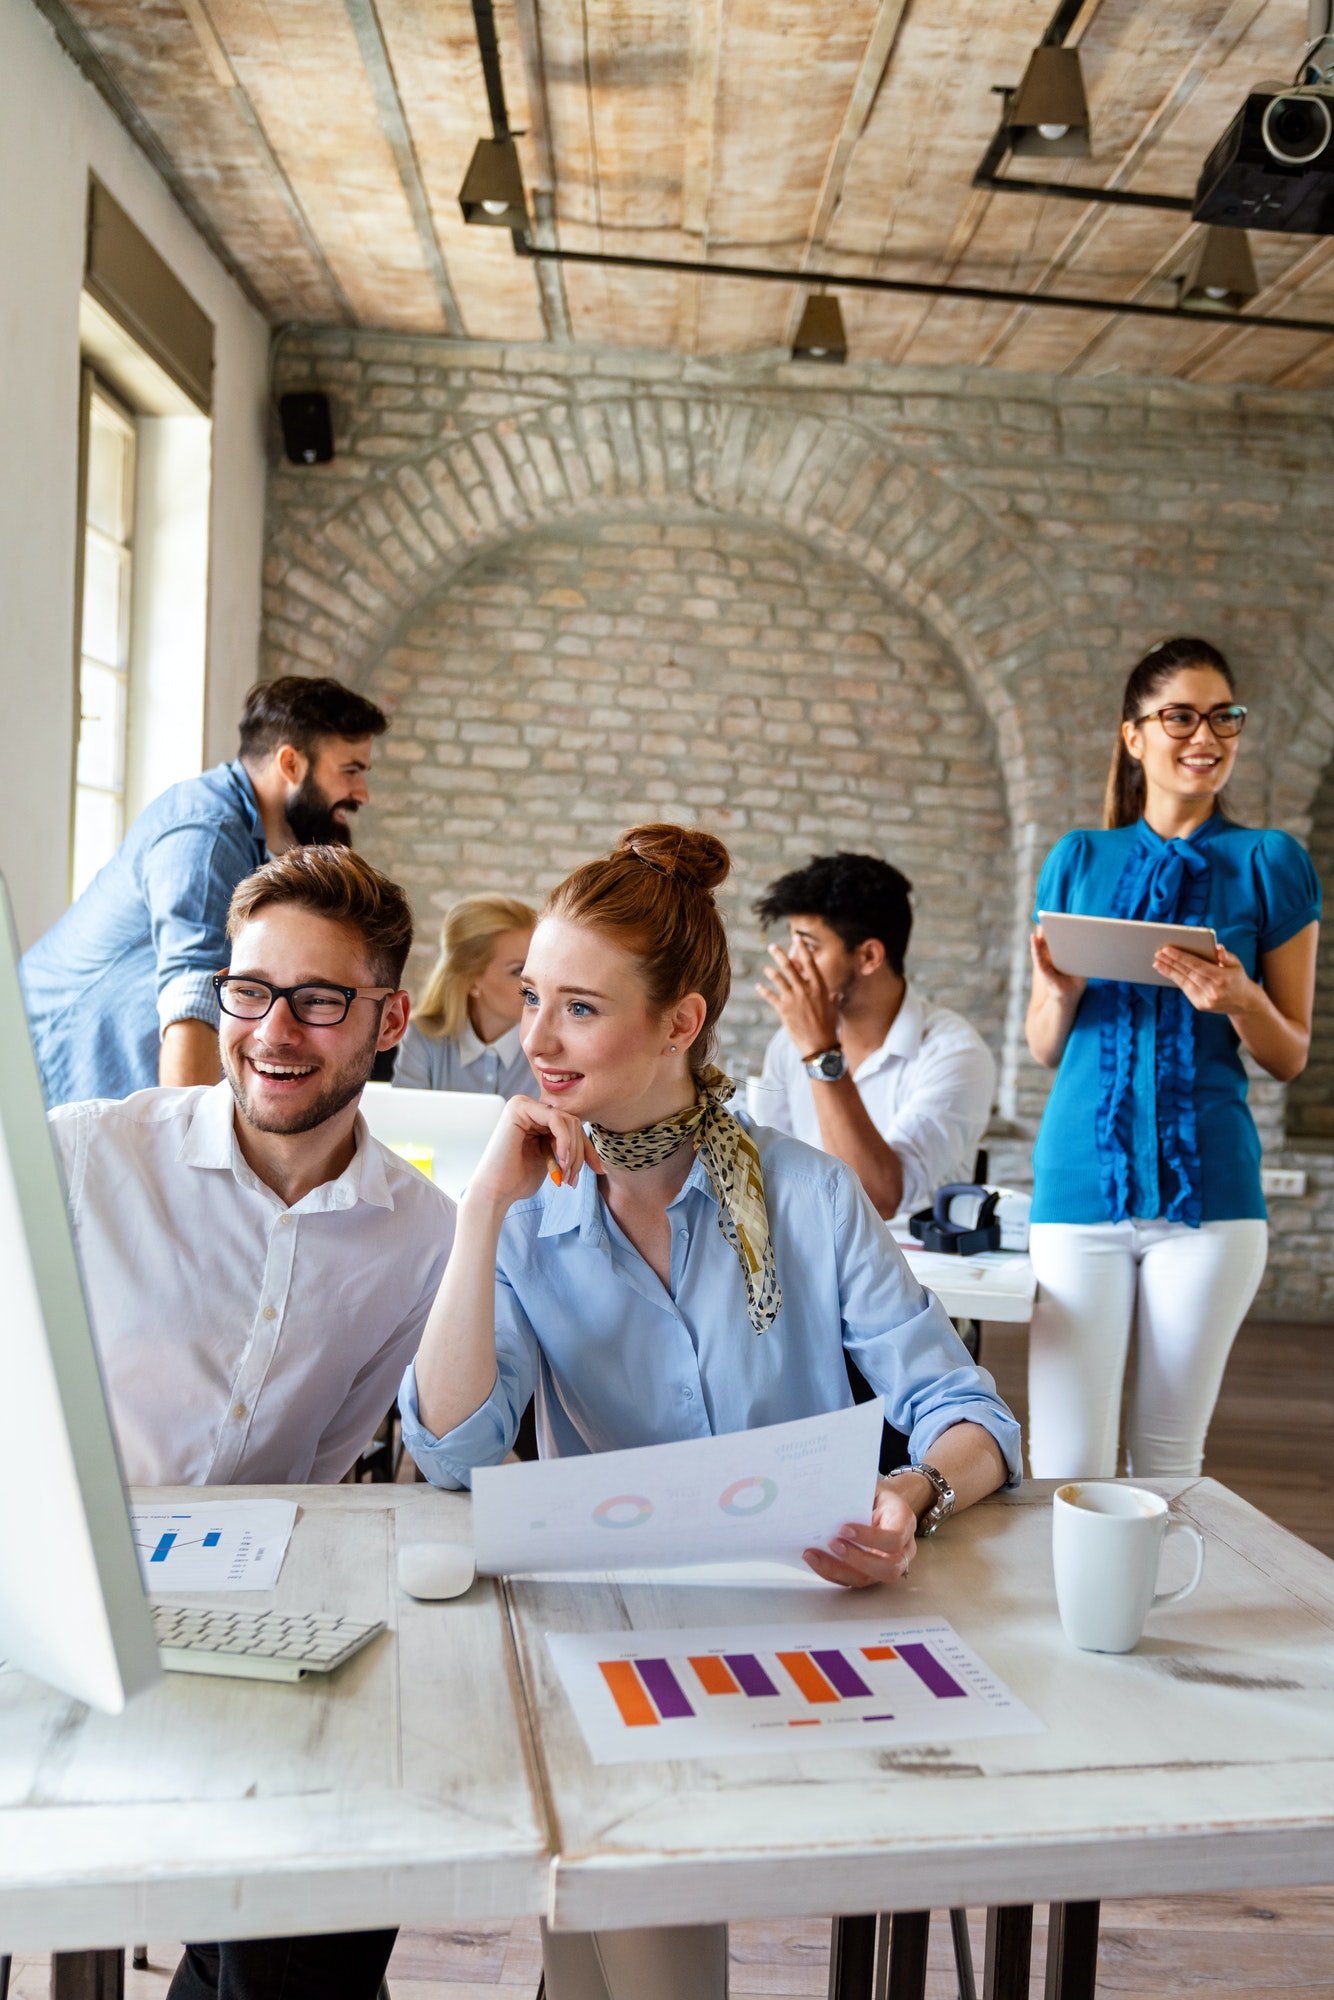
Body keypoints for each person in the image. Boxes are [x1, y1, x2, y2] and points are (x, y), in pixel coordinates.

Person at [399, 822, 1020, 2000]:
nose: (533, 1037)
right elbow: (451, 1449)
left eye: (577, 1007)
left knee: (616, 1943)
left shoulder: (806, 1192)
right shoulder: (526, 1207)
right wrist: (480, 1210)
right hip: (599, 1643)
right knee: (601, 1947)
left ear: (679, 1023)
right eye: (530, 995)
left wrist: (911, 1490)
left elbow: (965, 1410)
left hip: (785, 1642)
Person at [50, 845, 455, 2000]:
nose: (273, 1030)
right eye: (250, 989)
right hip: (48, 1607)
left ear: (385, 1019)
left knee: (327, 1915)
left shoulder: (420, 1234)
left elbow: (324, 1469)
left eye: (320, 1000)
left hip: (235, 1633)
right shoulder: (85, 1156)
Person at [1026, 637, 1320, 1480]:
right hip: (1078, 1191)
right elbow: (1047, 1047)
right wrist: (1060, 990)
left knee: (1165, 1467)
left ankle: (1153, 1615)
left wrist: (1243, 1001)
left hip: (1213, 1207)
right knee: (1066, 1467)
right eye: (1180, 716)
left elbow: (1289, 1054)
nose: (1206, 736)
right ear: (1135, 736)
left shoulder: (1271, 862)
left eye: (1223, 716)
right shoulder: (1077, 859)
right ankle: (1072, 1617)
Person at [22, 675, 388, 1108]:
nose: (361, 794)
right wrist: (187, 1164)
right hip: (40, 1079)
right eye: (350, 771)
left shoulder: (253, 842)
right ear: (290, 764)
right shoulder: (208, 833)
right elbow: (191, 1005)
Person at [752, 851, 996, 1217]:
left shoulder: (956, 1054)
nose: (792, 961)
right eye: (791, 942)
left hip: (918, 1266)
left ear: (868, 956)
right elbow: (767, 1169)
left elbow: (878, 1198)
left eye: (810, 947)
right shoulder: (789, 1044)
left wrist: (821, 1054)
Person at [393, 892, 538, 1098]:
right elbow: (403, 1124)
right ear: (471, 980)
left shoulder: (549, 1045)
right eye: (517, 970)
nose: (534, 983)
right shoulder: (422, 1038)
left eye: (535, 966)